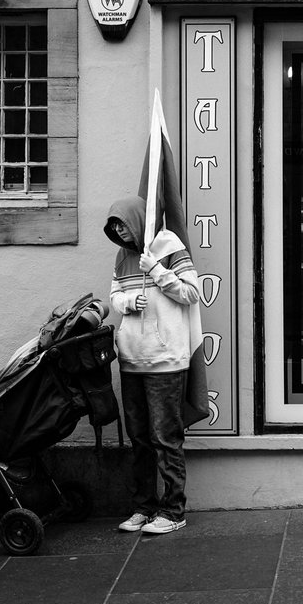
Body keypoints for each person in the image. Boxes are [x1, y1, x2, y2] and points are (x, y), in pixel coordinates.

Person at [104, 195, 201, 535]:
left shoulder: (169, 244)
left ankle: (173, 511)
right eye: (113, 226)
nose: (118, 230)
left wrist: (158, 271)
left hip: (166, 360)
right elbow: (115, 295)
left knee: (165, 437)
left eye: (122, 223)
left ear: (137, 220)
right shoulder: (121, 256)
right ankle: (143, 508)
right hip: (132, 359)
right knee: (140, 439)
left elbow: (192, 293)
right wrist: (129, 301)